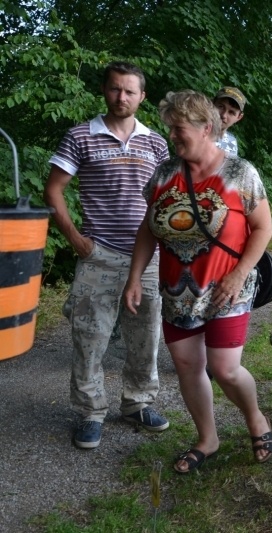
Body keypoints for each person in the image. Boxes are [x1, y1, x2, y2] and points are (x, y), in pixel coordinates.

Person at [122, 90, 272, 474]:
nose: (172, 136)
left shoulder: (241, 173)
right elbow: (148, 228)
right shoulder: (163, 174)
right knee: (189, 367)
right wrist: (135, 276)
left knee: (225, 369)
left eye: (179, 129)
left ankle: (255, 417)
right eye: (170, 128)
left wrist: (240, 274)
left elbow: (263, 228)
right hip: (177, 291)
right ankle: (208, 439)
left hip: (227, 287)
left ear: (206, 128)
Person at [44, 60, 170, 449]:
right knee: (90, 338)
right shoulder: (81, 136)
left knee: (146, 337)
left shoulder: (156, 143)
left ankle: (137, 403)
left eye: (130, 90)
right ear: (105, 90)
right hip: (99, 255)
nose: (122, 97)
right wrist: (75, 239)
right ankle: (90, 411)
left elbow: (169, 198)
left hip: (148, 260)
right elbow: (53, 190)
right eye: (115, 89)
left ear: (142, 97)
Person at [213, 86, 246, 156]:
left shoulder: (231, 143)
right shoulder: (194, 130)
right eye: (221, 107)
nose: (224, 115)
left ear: (239, 117)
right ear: (212, 104)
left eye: (231, 112)